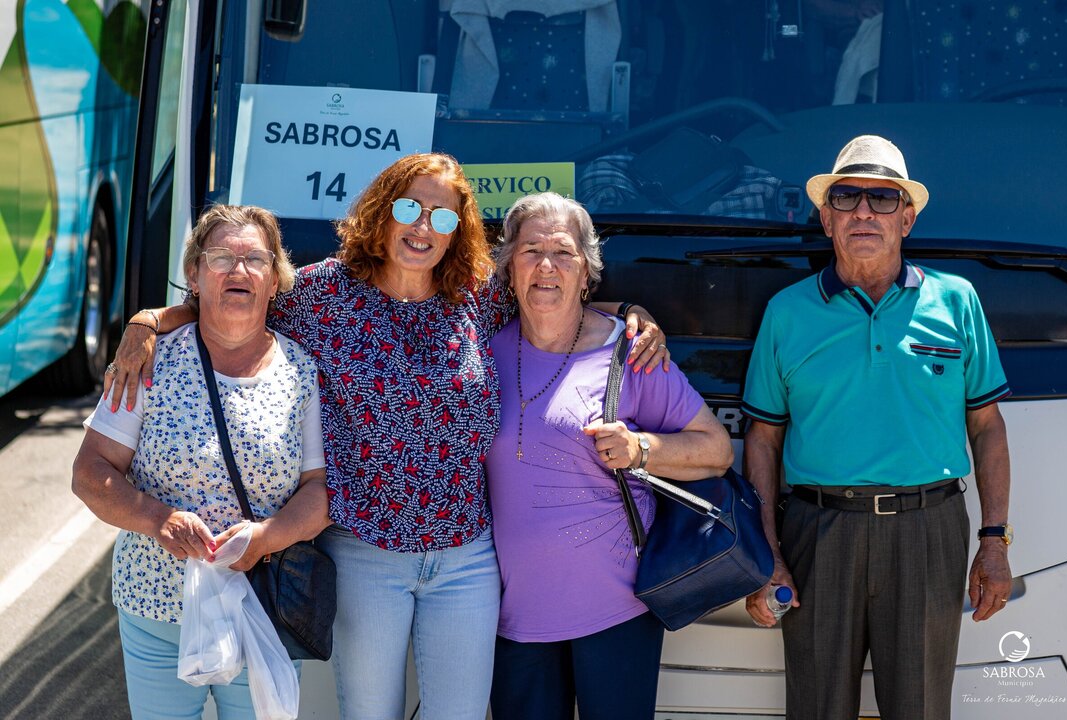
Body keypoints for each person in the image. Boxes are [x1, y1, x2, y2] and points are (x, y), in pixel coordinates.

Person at [103, 153, 669, 719]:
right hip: (363, 553)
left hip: (466, 555)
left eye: (442, 217)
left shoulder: (476, 296)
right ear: (381, 210)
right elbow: (231, 301)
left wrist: (632, 314)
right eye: (409, 208)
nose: (423, 227)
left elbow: (554, 298)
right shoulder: (324, 294)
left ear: (457, 231)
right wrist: (147, 322)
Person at [740, 135, 1012, 720]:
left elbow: (988, 427)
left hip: (928, 532)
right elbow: (762, 439)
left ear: (906, 219)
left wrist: (994, 541)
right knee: (816, 709)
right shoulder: (786, 312)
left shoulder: (958, 301)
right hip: (817, 533)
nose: (864, 212)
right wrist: (767, 553)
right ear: (826, 218)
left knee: (920, 709)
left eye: (883, 199)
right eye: (847, 197)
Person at [72, 205, 331, 719]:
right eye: (221, 257)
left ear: (274, 280)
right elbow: (90, 472)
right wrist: (158, 519)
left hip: (261, 606)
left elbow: (319, 491)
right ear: (194, 274)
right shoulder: (149, 361)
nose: (239, 270)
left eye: (255, 259)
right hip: (157, 609)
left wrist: (264, 539)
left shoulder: (301, 371)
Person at [485, 193, 734, 720]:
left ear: (586, 273)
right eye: (531, 251)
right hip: (514, 617)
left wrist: (641, 448)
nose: (546, 266)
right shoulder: (482, 351)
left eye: (563, 253)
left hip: (617, 611)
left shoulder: (631, 353)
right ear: (508, 267)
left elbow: (715, 450)